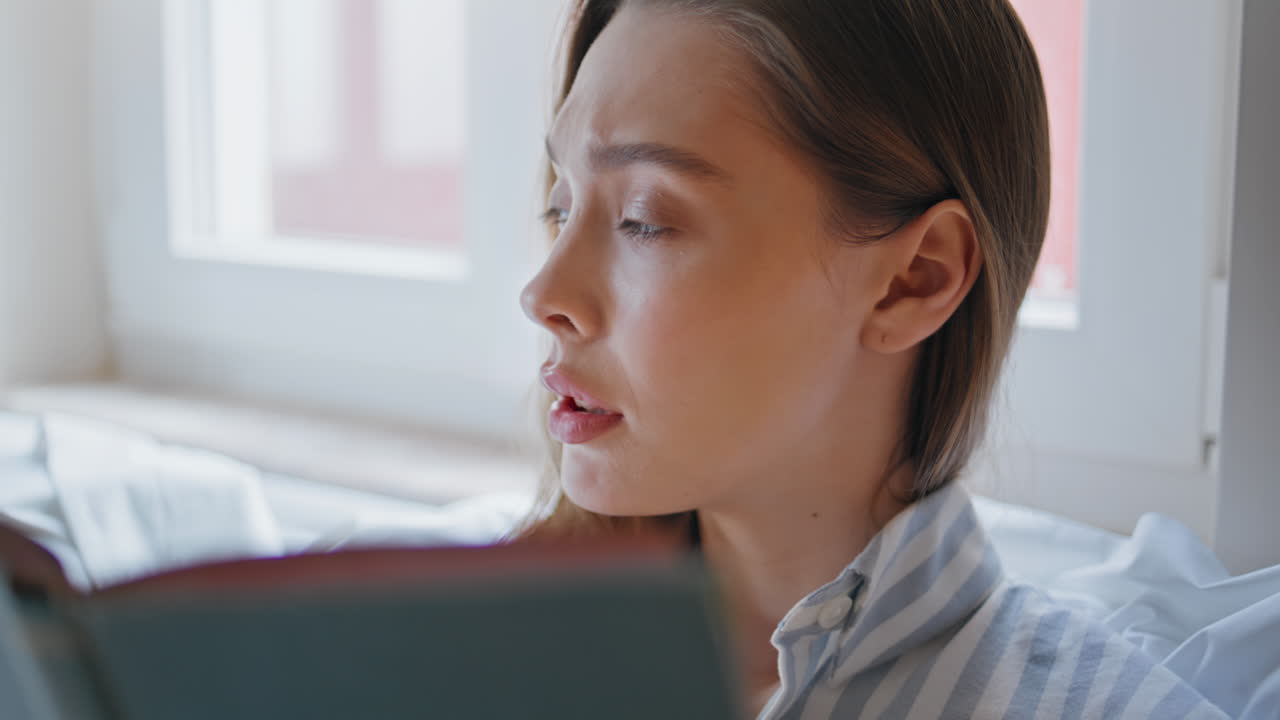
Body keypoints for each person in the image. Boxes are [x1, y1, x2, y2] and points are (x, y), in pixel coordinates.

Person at [513, 1, 1229, 718]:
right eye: (561, 206)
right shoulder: (472, 653)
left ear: (916, 280)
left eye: (644, 219)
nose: (543, 293)